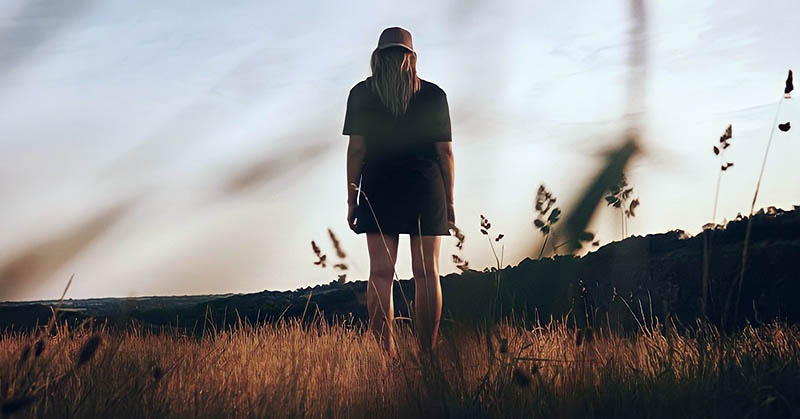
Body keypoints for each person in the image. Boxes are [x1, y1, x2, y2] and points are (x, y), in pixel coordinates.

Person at [342, 27, 455, 354]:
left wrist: (353, 199)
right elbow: (445, 153)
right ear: (412, 57)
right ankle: (428, 356)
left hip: (379, 187)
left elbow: (356, 152)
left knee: (380, 275)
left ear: (377, 57)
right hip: (425, 187)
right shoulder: (434, 95)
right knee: (426, 274)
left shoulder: (361, 94)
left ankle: (386, 357)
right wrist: (448, 200)